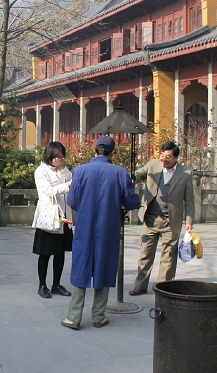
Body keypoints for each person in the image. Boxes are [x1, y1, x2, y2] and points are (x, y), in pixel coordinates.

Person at [61, 136, 140, 330]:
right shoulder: (120, 173)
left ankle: (73, 317)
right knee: (104, 266)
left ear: (94, 151)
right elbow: (131, 202)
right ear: (113, 153)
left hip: (84, 227)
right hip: (108, 228)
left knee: (81, 266)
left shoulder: (79, 172)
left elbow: (72, 201)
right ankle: (98, 316)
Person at [129, 140, 195, 296]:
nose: (163, 159)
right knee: (145, 253)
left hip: (170, 221)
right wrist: (130, 178)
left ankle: (163, 288)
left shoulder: (185, 174)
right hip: (150, 218)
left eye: (168, 157)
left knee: (169, 257)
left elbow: (190, 200)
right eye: (162, 156)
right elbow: (139, 174)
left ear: (176, 158)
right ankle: (140, 285)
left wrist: (189, 221)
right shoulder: (153, 165)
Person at [31, 141, 73, 299]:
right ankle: (42, 285)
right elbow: (48, 191)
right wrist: (67, 185)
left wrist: (64, 170)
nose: (59, 160)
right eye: (56, 157)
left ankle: (56, 284)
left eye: (62, 157)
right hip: (49, 218)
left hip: (63, 218)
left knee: (60, 253)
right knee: (45, 253)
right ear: (49, 156)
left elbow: (71, 179)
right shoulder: (41, 171)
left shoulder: (62, 170)